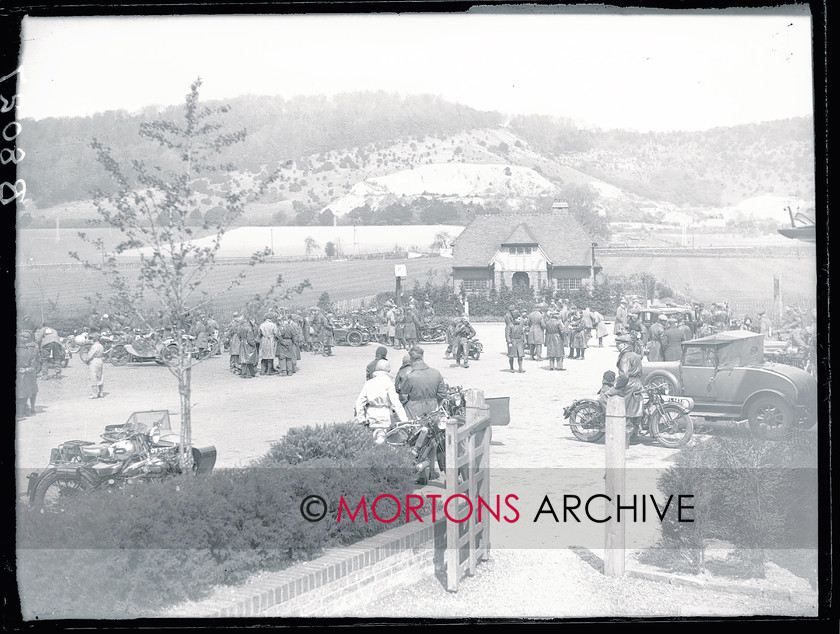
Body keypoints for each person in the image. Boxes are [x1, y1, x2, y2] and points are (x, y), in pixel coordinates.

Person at [600, 334, 644, 448]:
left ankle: (612, 417)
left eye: (618, 344)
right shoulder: (635, 355)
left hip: (628, 385)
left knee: (605, 397)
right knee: (629, 411)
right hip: (636, 384)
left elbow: (624, 376)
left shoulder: (625, 357)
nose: (617, 346)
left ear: (624, 345)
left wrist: (615, 385)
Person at [355, 359, 409, 443]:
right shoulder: (388, 383)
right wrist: (404, 421)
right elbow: (396, 404)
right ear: (388, 370)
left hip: (371, 416)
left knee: (372, 440)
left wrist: (361, 419)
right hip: (384, 416)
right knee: (385, 440)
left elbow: (359, 402)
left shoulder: (369, 383)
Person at [400, 346, 449, 418]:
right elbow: (442, 395)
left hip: (414, 411)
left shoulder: (410, 376)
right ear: (422, 357)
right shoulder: (436, 373)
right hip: (433, 409)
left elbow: (403, 397)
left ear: (411, 360)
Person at [16, 330, 39, 417]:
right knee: (32, 389)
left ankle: (24, 409)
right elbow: (36, 361)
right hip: (30, 371)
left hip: (23, 371)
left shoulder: (22, 348)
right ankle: (31, 408)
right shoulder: (34, 347)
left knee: (22, 391)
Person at [83, 331, 105, 398]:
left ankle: (94, 393)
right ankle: (101, 392)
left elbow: (90, 355)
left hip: (94, 361)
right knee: (100, 376)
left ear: (94, 339)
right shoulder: (101, 346)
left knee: (93, 376)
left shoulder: (94, 346)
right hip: (100, 360)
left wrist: (86, 360)